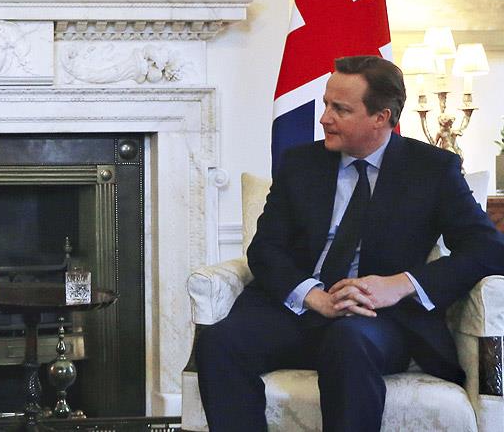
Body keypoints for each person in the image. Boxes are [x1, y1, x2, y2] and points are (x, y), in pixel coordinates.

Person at [195, 56, 504, 432]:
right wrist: (313, 296)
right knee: (218, 344)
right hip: (298, 308)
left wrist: (399, 285)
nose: (324, 118)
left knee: (348, 342)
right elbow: (265, 249)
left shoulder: (432, 169)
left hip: (377, 320)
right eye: (327, 104)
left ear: (381, 117)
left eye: (340, 109)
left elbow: (488, 249)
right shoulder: (300, 163)